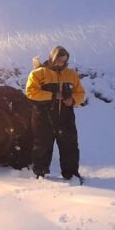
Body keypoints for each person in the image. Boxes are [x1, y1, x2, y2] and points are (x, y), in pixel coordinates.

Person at [25, 46, 86, 183]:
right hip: (43, 117)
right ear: (52, 58)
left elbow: (80, 93)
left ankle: (71, 174)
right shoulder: (38, 73)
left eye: (63, 60)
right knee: (42, 146)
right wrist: (53, 95)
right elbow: (30, 92)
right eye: (58, 60)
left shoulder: (71, 74)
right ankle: (40, 172)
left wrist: (73, 100)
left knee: (70, 146)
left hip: (66, 117)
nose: (60, 63)